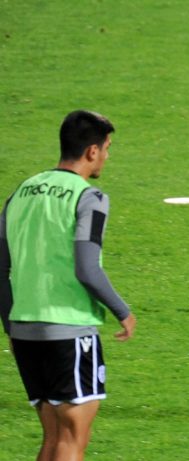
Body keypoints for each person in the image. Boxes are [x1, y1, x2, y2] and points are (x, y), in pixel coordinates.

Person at [0, 110, 137, 460]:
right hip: (69, 330)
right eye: (107, 148)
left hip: (24, 331)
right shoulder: (90, 198)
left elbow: (1, 269)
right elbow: (87, 269)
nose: (107, 156)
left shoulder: (19, 194)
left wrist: (11, 328)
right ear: (92, 151)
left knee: (52, 438)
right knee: (72, 439)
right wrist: (123, 312)